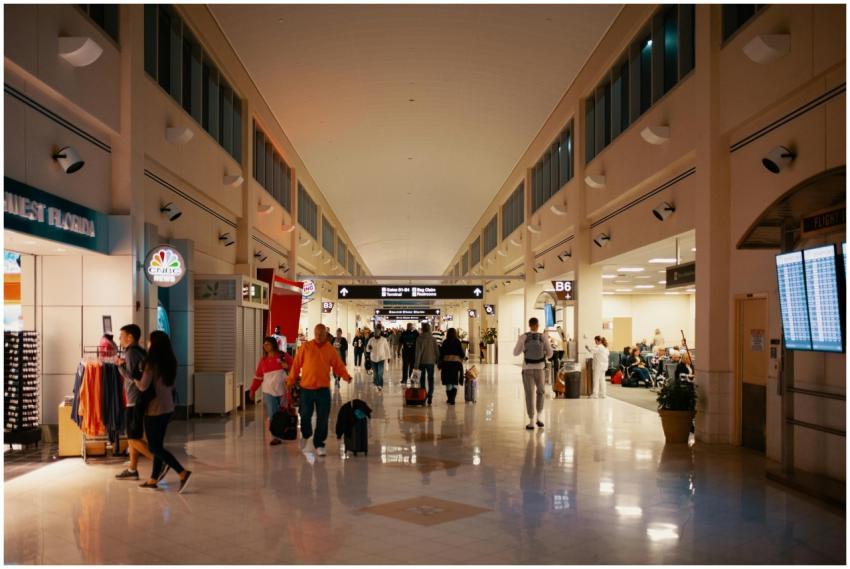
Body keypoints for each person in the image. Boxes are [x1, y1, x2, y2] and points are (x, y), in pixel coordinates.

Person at [134, 331, 192, 493]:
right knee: (158, 444)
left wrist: (133, 378)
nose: (147, 343)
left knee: (154, 447)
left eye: (149, 341)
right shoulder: (170, 361)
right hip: (168, 407)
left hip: (154, 408)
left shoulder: (151, 363)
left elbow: (143, 386)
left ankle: (182, 472)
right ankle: (153, 479)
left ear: (155, 344)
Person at [288, 324, 351, 456]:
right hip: (306, 389)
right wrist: (290, 380)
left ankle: (319, 443)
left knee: (323, 418)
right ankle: (306, 434)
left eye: (321, 334)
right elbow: (296, 365)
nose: (318, 336)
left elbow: (338, 365)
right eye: (316, 333)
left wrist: (346, 376)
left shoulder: (330, 349)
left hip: (323, 390)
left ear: (325, 335)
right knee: (305, 415)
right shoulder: (306, 347)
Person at [114, 324, 154, 480]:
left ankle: (159, 461)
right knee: (134, 436)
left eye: (121, 336)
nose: (119, 339)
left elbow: (132, 377)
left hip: (134, 400)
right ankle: (132, 469)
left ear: (130, 337)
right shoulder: (140, 351)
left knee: (132, 437)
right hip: (139, 398)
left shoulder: (130, 352)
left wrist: (120, 366)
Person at [250, 336, 293, 446]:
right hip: (268, 391)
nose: (265, 346)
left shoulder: (283, 356)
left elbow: (294, 367)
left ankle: (282, 433)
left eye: (268, 344)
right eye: (264, 344)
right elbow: (258, 377)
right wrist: (252, 390)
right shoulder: (263, 360)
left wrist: (287, 366)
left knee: (282, 413)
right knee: (272, 414)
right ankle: (275, 437)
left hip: (283, 390)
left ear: (273, 344)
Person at [513, 318, 553, 430]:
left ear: (529, 325)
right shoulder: (543, 337)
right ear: (538, 325)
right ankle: (539, 418)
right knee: (541, 392)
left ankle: (531, 421)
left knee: (529, 394)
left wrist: (524, 349)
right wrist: (543, 354)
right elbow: (550, 354)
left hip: (527, 369)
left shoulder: (523, 337)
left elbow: (515, 353)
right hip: (540, 369)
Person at [414, 322, 439, 406]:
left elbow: (418, 352)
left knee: (422, 379)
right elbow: (436, 351)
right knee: (431, 378)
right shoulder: (433, 338)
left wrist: (416, 364)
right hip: (431, 362)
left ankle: (423, 394)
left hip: (421, 362)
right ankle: (430, 394)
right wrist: (438, 360)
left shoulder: (419, 338)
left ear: (422, 329)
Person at [438, 328, 465, 405]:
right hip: (455, 364)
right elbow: (461, 353)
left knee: (448, 381)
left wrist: (440, 361)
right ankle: (453, 399)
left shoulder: (445, 342)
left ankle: (449, 398)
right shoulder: (457, 342)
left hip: (446, 364)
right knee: (454, 381)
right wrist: (462, 357)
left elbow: (441, 353)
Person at [366, 325, 391, 391]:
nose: (376, 333)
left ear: (380, 333)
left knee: (380, 373)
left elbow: (387, 349)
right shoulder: (371, 340)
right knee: (375, 373)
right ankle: (376, 383)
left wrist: (389, 357)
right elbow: (367, 350)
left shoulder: (384, 339)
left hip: (381, 358)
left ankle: (380, 385)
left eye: (377, 332)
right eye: (375, 332)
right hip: (373, 359)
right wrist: (369, 348)